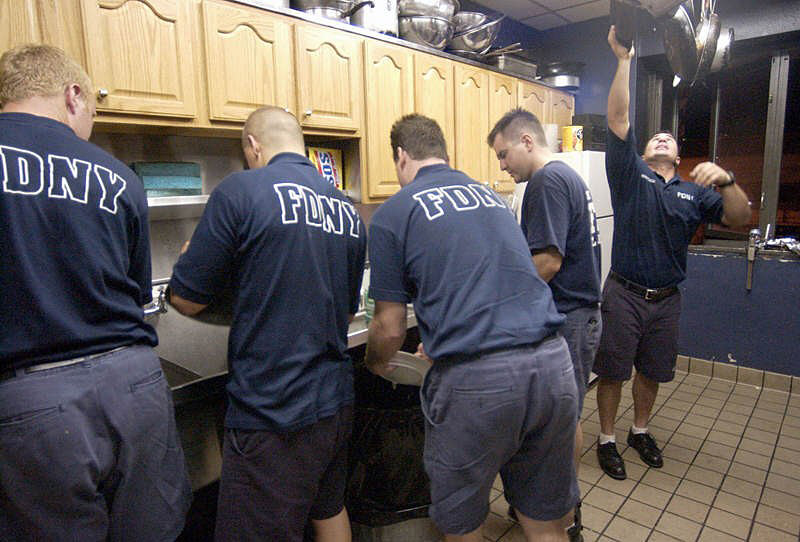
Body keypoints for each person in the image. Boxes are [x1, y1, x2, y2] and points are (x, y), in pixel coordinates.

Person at [0, 44, 191, 541]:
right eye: (92, 111)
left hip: (32, 403)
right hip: (133, 385)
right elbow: (133, 291)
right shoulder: (120, 178)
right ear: (73, 94)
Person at [365, 113, 578, 542]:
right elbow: (493, 278)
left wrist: (373, 365)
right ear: (445, 153)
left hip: (478, 385)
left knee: (463, 526)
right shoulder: (490, 198)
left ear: (401, 156)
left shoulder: (394, 213)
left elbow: (389, 328)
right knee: (543, 521)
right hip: (553, 367)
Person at [168, 106, 367, 541]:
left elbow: (184, 298)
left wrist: (194, 263)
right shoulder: (345, 208)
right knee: (329, 509)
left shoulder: (241, 190)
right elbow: (348, 312)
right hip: (334, 399)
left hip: (274, 410)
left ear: (253, 147)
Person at [595, 27, 752, 481]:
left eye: (669, 138)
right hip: (623, 293)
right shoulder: (630, 175)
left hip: (666, 298)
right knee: (612, 372)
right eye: (655, 138)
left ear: (680, 155)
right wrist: (624, 62)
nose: (662, 139)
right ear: (643, 153)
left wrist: (725, 180)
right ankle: (607, 438)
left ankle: (639, 431)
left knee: (653, 372)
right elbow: (619, 119)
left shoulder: (693, 191)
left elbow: (739, 218)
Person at [488, 107, 602, 542]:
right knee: (565, 416)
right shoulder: (567, 176)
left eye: (503, 154)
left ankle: (564, 517)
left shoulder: (546, 182)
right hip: (581, 312)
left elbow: (547, 262)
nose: (502, 164)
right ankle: (558, 509)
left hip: (567, 316)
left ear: (527, 142)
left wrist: (500, 301)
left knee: (563, 421)